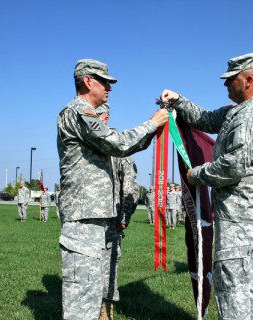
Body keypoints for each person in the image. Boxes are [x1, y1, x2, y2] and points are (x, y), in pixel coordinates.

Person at [161, 52, 253, 320]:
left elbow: (234, 166)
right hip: (239, 213)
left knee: (231, 284)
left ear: (248, 80)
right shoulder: (236, 113)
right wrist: (178, 100)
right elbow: (204, 119)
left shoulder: (250, 118)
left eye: (230, 80)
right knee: (246, 284)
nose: (225, 85)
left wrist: (196, 174)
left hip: (241, 215)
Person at [57, 58, 168, 320]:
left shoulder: (88, 114)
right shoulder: (78, 112)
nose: (110, 88)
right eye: (105, 82)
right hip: (82, 219)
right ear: (87, 81)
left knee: (91, 292)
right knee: (81, 298)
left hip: (94, 217)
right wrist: (152, 123)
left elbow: (124, 146)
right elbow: (116, 143)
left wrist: (157, 125)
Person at [96, 103, 140, 320]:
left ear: (104, 118)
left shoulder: (118, 146)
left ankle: (106, 310)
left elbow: (130, 186)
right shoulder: (86, 143)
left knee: (108, 266)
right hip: (87, 219)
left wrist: (124, 217)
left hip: (111, 220)